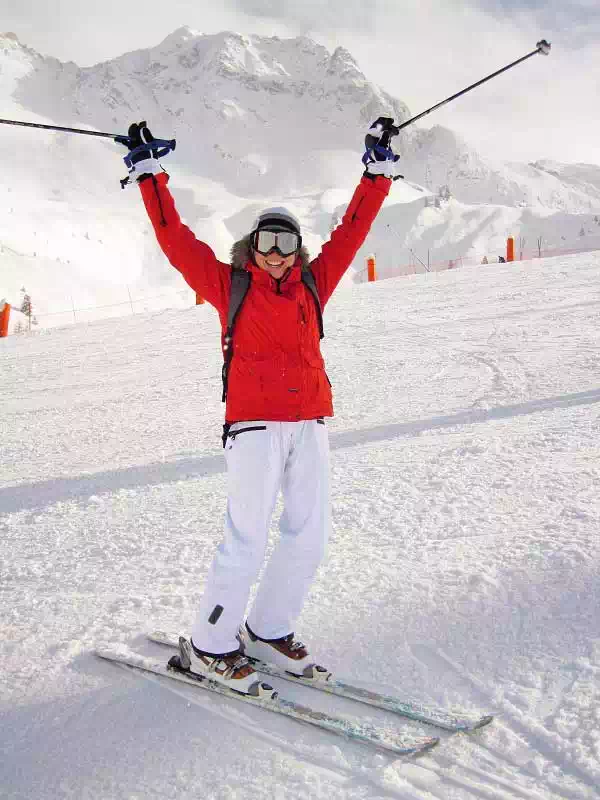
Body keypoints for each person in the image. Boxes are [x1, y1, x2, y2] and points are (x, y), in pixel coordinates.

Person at [120, 118, 400, 696]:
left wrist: (374, 177)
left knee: (310, 533)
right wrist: (151, 176)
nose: (276, 254)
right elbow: (178, 244)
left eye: (287, 243)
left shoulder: (315, 283)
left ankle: (269, 629)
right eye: (267, 243)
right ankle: (209, 645)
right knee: (245, 536)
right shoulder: (230, 286)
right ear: (252, 248)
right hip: (253, 427)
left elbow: (351, 232)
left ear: (298, 250)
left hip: (310, 424)